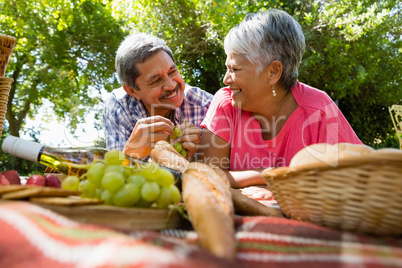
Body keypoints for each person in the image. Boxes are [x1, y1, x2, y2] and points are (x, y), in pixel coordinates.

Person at [198, 9, 362, 188]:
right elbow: (208, 179)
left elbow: (361, 176)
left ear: (273, 72)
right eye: (227, 68)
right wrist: (270, 174)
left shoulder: (319, 110)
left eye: (235, 69)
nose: (226, 79)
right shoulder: (226, 103)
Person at [103, 33, 213, 159]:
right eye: (155, 80)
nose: (171, 85)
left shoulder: (206, 105)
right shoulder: (118, 108)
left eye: (172, 72)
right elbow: (117, 174)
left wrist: (203, 154)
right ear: (133, 91)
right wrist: (129, 154)